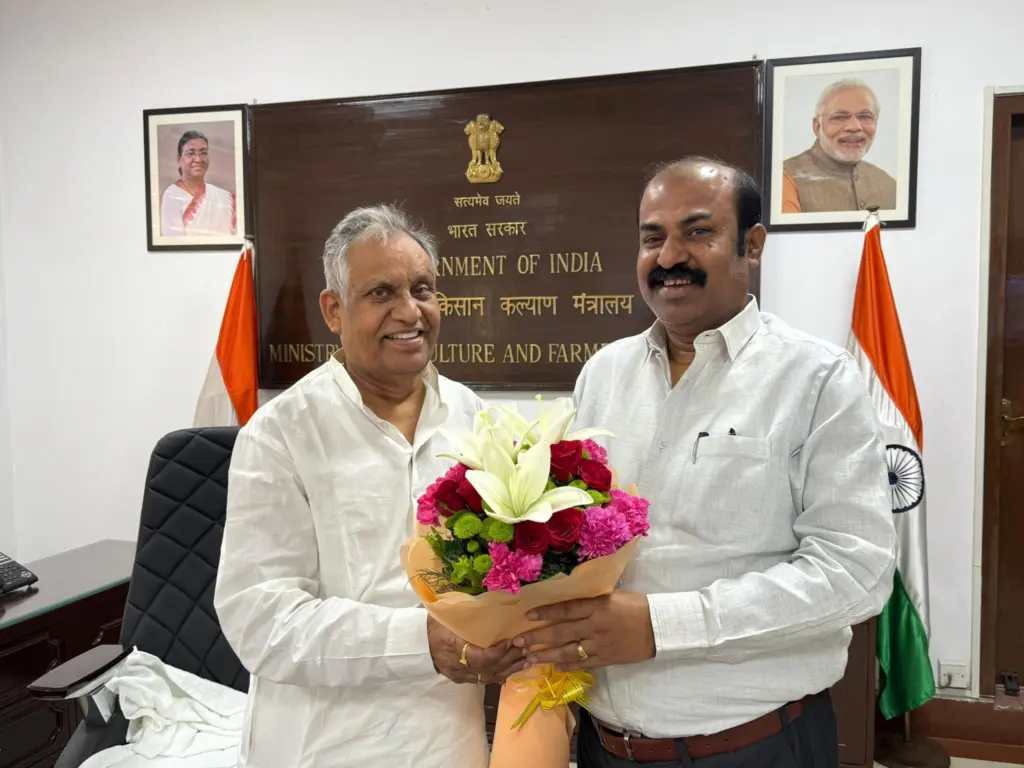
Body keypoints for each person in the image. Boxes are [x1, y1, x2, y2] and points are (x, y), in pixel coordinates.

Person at [515, 158, 898, 767]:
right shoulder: (603, 375)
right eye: (651, 237)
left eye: (697, 232)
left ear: (752, 245)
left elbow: (856, 574)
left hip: (753, 745)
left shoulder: (816, 378)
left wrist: (665, 625)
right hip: (603, 742)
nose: (668, 256)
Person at [214, 205, 525, 768]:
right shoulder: (281, 434)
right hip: (325, 745)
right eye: (381, 293)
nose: (410, 312)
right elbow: (259, 620)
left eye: (423, 290)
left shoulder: (476, 419)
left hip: (446, 740)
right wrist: (421, 642)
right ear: (334, 310)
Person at [783, 79, 897, 213]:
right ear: (817, 126)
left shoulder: (890, 186)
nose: (854, 127)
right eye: (840, 117)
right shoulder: (785, 179)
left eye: (865, 116)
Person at [160, 129, 237, 237]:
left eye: (203, 153)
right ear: (179, 159)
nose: (198, 159)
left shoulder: (223, 197)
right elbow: (174, 244)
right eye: (190, 153)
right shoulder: (172, 195)